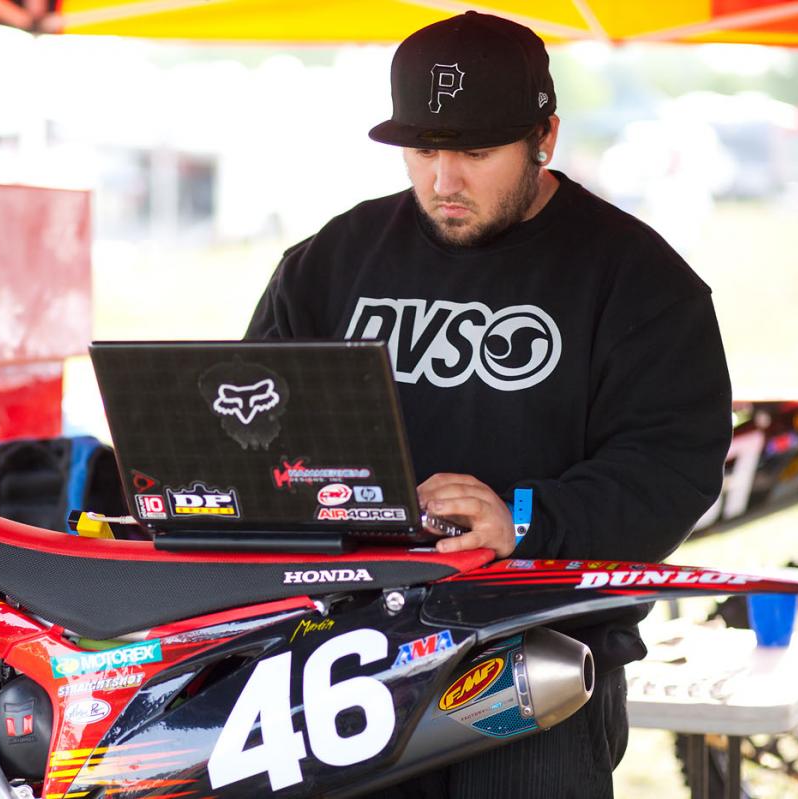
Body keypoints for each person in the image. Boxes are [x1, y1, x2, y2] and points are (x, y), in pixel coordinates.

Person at [245, 11, 732, 799]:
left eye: (476, 152)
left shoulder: (639, 281)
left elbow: (672, 467)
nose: (445, 181)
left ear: (545, 136)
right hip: (343, 661)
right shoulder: (329, 260)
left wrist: (524, 518)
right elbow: (253, 433)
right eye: (425, 150)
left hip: (532, 667)